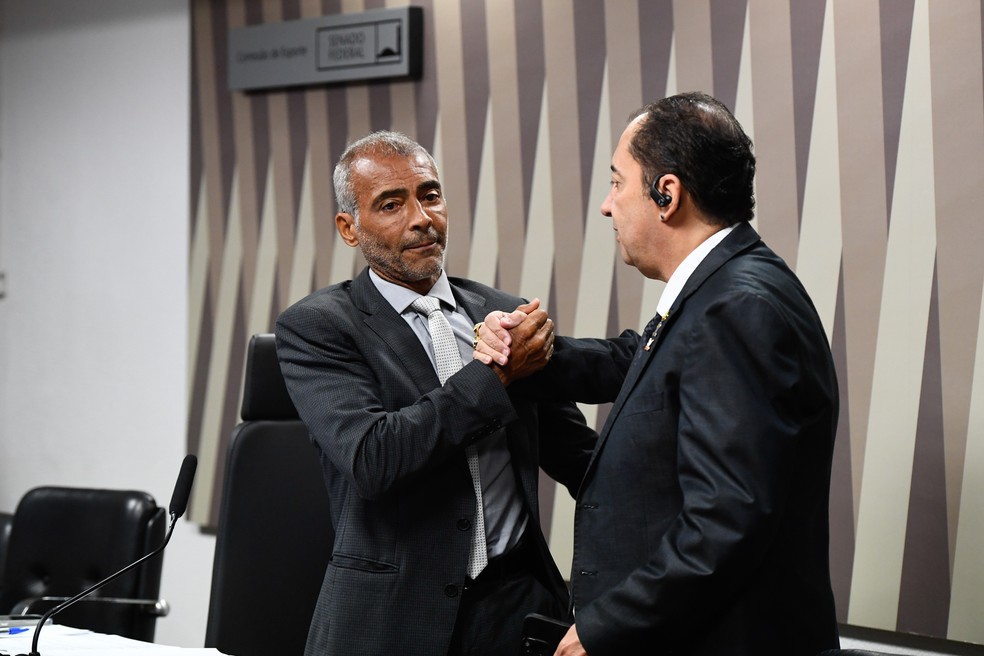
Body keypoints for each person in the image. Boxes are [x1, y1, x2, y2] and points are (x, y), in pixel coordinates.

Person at [474, 92, 840, 656]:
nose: (606, 205)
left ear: (667, 195)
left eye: (617, 182)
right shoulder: (727, 286)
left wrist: (603, 629)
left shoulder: (734, 307)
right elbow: (638, 361)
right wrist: (534, 352)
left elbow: (725, 521)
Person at [274, 130, 596, 656]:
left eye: (429, 194)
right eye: (391, 204)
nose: (422, 218)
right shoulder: (317, 327)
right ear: (349, 229)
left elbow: (583, 463)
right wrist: (494, 376)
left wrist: (619, 594)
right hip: (388, 621)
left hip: (519, 612)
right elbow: (374, 457)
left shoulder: (503, 312)